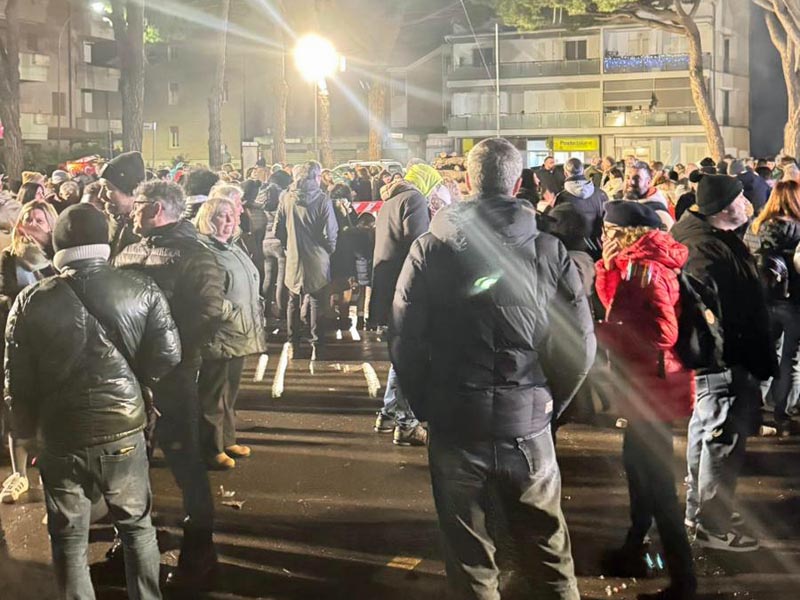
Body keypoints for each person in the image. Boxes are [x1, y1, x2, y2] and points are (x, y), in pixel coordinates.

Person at [391, 137, 595, 599]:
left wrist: (428, 406)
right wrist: (547, 403)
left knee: (470, 560)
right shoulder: (548, 249)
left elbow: (405, 340)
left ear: (467, 181)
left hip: (455, 419)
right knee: (548, 552)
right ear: (517, 184)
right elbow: (579, 346)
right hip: (527, 421)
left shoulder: (431, 247)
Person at [5, 203, 181, 600]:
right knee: (136, 527)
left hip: (60, 433)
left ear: (59, 246)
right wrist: (139, 383)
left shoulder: (31, 301)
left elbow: (17, 381)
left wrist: (25, 433)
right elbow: (169, 354)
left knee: (69, 537)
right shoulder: (140, 288)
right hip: (124, 427)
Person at [114, 180, 226, 589]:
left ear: (157, 208)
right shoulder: (130, 248)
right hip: (130, 376)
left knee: (186, 465)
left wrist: (166, 359)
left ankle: (200, 552)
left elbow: (208, 314)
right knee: (130, 464)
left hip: (173, 380)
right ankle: (132, 543)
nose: (131, 210)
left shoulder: (197, 255)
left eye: (138, 204)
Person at [595, 201, 696, 600]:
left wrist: (603, 334)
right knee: (638, 472)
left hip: (653, 388)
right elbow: (619, 307)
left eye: (607, 230)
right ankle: (634, 549)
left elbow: (663, 333)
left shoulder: (646, 269)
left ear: (625, 233)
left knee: (658, 487)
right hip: (646, 387)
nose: (603, 236)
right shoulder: (633, 265)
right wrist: (607, 270)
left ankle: (683, 582)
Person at [671, 175, 775, 552]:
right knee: (720, 439)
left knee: (706, 431)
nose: (747, 202)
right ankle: (712, 526)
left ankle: (699, 510)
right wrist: (730, 354)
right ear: (725, 207)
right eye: (741, 197)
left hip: (721, 360)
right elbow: (710, 311)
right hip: (723, 360)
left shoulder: (708, 234)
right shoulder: (703, 246)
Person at [371, 163, 446, 447]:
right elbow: (419, 245)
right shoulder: (414, 200)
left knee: (403, 349)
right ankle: (406, 423)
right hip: (407, 285)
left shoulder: (392, 200)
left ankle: (389, 412)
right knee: (412, 352)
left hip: (390, 283)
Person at [195, 197, 267, 469]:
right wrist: (231, 313)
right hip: (220, 332)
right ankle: (210, 449)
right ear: (207, 219)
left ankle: (227, 440)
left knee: (229, 393)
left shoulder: (232, 246)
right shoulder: (204, 250)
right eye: (220, 216)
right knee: (213, 394)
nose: (228, 221)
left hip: (239, 331)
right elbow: (206, 295)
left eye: (231, 216)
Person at [0, 201, 58, 505]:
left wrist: (41, 261)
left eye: (40, 219)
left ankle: (53, 479)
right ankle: (18, 473)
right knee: (18, 407)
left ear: (51, 226)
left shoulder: (58, 256)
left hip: (52, 342)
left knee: (50, 412)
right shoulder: (10, 257)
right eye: (28, 218)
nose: (33, 224)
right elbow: (9, 292)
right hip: (19, 341)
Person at [745, 181, 800, 437]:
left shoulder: (756, 227)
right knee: (791, 360)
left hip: (762, 300)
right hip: (794, 302)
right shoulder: (798, 229)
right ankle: (782, 413)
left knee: (763, 353)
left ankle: (755, 411)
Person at [273, 161, 338, 360]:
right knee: (317, 300)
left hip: (294, 256)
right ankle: (317, 346)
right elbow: (330, 232)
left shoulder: (286, 197)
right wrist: (328, 250)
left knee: (293, 299)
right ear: (316, 177)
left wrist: (289, 246)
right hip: (318, 257)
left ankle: (293, 344)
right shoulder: (322, 199)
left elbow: (278, 229)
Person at [553, 157, 608, 259]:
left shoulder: (562, 197)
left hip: (572, 251)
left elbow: (558, 225)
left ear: (565, 173)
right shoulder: (601, 194)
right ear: (583, 171)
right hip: (598, 248)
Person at [99, 150, 146, 259]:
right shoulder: (102, 223)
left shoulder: (151, 232)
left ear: (133, 191)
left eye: (107, 188)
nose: (100, 195)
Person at [624, 162, 674, 230]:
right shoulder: (632, 196)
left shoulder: (658, 211)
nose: (630, 182)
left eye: (637, 179)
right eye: (627, 178)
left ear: (648, 182)